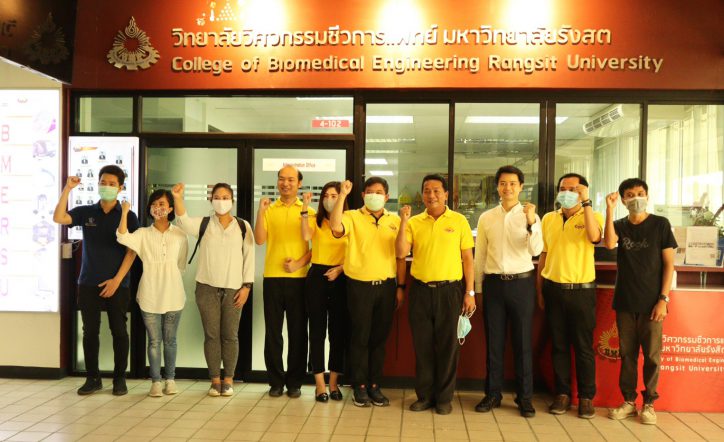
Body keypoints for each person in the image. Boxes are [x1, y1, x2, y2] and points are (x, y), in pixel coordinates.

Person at [52, 165, 138, 396]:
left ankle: (119, 379)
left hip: (118, 284)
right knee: (90, 332)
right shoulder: (86, 211)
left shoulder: (128, 216)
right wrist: (67, 189)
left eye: (112, 184)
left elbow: (131, 252)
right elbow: (59, 217)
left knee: (119, 331)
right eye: (103, 182)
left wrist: (116, 280)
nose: (106, 186)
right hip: (88, 282)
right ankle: (93, 378)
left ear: (120, 188)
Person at [396, 174, 475, 415]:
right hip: (420, 291)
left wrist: (470, 292)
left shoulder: (459, 221)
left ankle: (444, 398)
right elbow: (401, 252)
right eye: (427, 191)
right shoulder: (414, 222)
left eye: (436, 190)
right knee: (422, 347)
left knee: (448, 347)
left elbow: (468, 259)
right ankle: (425, 396)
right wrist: (403, 222)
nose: (431, 195)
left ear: (446, 194)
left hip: (450, 291)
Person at [604, 178, 676, 425]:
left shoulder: (660, 224)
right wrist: (610, 209)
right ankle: (628, 401)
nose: (636, 198)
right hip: (625, 301)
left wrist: (663, 299)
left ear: (647, 196)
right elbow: (608, 243)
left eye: (640, 193)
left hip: (653, 303)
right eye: (630, 195)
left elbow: (669, 264)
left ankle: (649, 404)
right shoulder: (619, 225)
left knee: (652, 356)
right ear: (624, 200)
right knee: (627, 355)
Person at [329, 177, 405, 408]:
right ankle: (359, 386)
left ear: (387, 196)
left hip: (386, 286)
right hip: (359, 287)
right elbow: (335, 227)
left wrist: (400, 287)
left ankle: (374, 384)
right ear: (363, 196)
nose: (374, 195)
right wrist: (342, 195)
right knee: (360, 338)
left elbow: (401, 256)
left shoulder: (395, 220)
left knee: (379, 339)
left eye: (379, 192)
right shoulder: (352, 216)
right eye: (370, 192)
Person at [173, 182, 254, 397]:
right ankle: (215, 380)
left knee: (230, 336)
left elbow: (249, 257)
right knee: (211, 336)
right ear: (211, 200)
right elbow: (182, 221)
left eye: (225, 197)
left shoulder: (243, 226)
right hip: (206, 287)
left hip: (234, 289)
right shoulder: (204, 223)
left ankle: (229, 379)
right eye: (217, 197)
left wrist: (246, 287)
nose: (221, 201)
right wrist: (178, 198)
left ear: (232, 201)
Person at [474, 165, 543, 417]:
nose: (508, 188)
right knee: (494, 343)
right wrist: (477, 289)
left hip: (521, 284)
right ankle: (492, 394)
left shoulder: (531, 216)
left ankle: (525, 398)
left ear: (521, 187)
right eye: (503, 183)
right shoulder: (486, 218)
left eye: (513, 183)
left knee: (523, 343)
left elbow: (536, 250)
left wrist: (531, 222)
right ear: (497, 187)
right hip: (493, 284)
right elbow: (480, 255)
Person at [537, 173, 603, 419]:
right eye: (563, 188)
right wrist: (539, 290)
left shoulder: (593, 215)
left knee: (583, 347)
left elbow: (594, 237)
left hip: (581, 291)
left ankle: (586, 397)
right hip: (553, 290)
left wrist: (587, 204)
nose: (566, 193)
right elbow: (544, 255)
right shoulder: (548, 218)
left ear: (583, 191)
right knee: (559, 346)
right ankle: (562, 394)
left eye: (573, 189)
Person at [116, 189, 188, 397]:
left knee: (171, 340)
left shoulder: (180, 235)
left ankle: (170, 379)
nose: (158, 207)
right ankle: (156, 381)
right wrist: (124, 211)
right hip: (149, 293)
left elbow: (181, 264)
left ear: (171, 208)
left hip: (174, 293)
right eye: (154, 204)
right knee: (154, 341)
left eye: (162, 204)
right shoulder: (142, 234)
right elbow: (122, 236)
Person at [254, 166, 312, 398]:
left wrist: (298, 264)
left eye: (290, 179)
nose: (285, 183)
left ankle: (295, 382)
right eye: (281, 179)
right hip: (273, 278)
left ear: (299, 183)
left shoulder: (308, 210)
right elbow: (259, 239)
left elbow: (316, 246)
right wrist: (260, 211)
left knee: (298, 333)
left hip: (299, 279)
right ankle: (275, 382)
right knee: (273, 333)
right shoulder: (269, 209)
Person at [301, 182, 349, 403]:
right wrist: (305, 207)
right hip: (317, 277)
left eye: (334, 195)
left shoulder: (349, 221)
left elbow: (356, 252)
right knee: (317, 331)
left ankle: (334, 382)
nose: (330, 199)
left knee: (338, 331)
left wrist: (341, 269)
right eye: (326, 196)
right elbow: (305, 236)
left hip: (341, 276)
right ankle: (320, 383)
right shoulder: (315, 219)